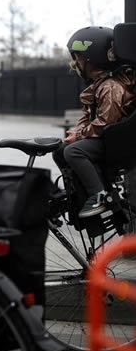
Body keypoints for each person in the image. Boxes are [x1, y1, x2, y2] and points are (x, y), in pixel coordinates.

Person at [53, 26, 136, 218]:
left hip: (116, 143)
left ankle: (99, 195)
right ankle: (80, 193)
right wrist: (78, 132)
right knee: (61, 150)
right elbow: (87, 115)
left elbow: (106, 121)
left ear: (93, 59)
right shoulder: (98, 86)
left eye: (78, 58)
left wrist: (80, 136)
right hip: (106, 139)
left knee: (74, 151)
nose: (75, 63)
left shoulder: (110, 87)